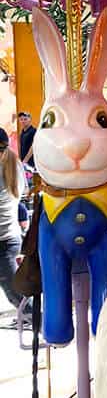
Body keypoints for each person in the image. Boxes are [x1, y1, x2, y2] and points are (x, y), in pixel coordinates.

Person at [0, 128, 27, 317]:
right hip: (10, 238)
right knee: (17, 297)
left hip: (5, 241)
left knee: (17, 297)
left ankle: (44, 327)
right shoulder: (14, 164)